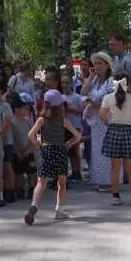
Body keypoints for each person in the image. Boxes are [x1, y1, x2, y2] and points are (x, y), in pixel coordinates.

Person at [25, 89, 82, 225]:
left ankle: (34, 205)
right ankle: (59, 210)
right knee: (61, 182)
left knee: (41, 181)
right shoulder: (64, 121)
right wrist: (70, 143)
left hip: (47, 150)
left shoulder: (41, 120)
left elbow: (30, 135)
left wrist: (39, 144)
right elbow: (78, 136)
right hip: (60, 151)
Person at [99, 77, 131, 205]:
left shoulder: (108, 98)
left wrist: (109, 123)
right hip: (128, 131)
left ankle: (116, 196)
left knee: (115, 168)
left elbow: (102, 115)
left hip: (114, 130)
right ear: (128, 84)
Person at [82, 52, 115, 190]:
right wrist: (90, 77)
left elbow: (112, 100)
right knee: (97, 151)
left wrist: (96, 103)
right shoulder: (95, 81)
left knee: (107, 151)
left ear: (107, 65)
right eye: (95, 64)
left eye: (100, 63)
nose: (97, 66)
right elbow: (83, 92)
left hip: (107, 118)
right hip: (96, 121)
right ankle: (100, 179)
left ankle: (110, 181)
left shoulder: (111, 81)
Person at [9, 93, 37, 198]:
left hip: (29, 151)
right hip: (17, 152)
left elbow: (32, 136)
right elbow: (12, 139)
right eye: (25, 108)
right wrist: (18, 151)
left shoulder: (28, 122)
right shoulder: (12, 123)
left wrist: (27, 149)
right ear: (16, 109)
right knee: (19, 172)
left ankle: (32, 189)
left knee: (31, 171)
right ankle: (19, 189)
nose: (28, 111)